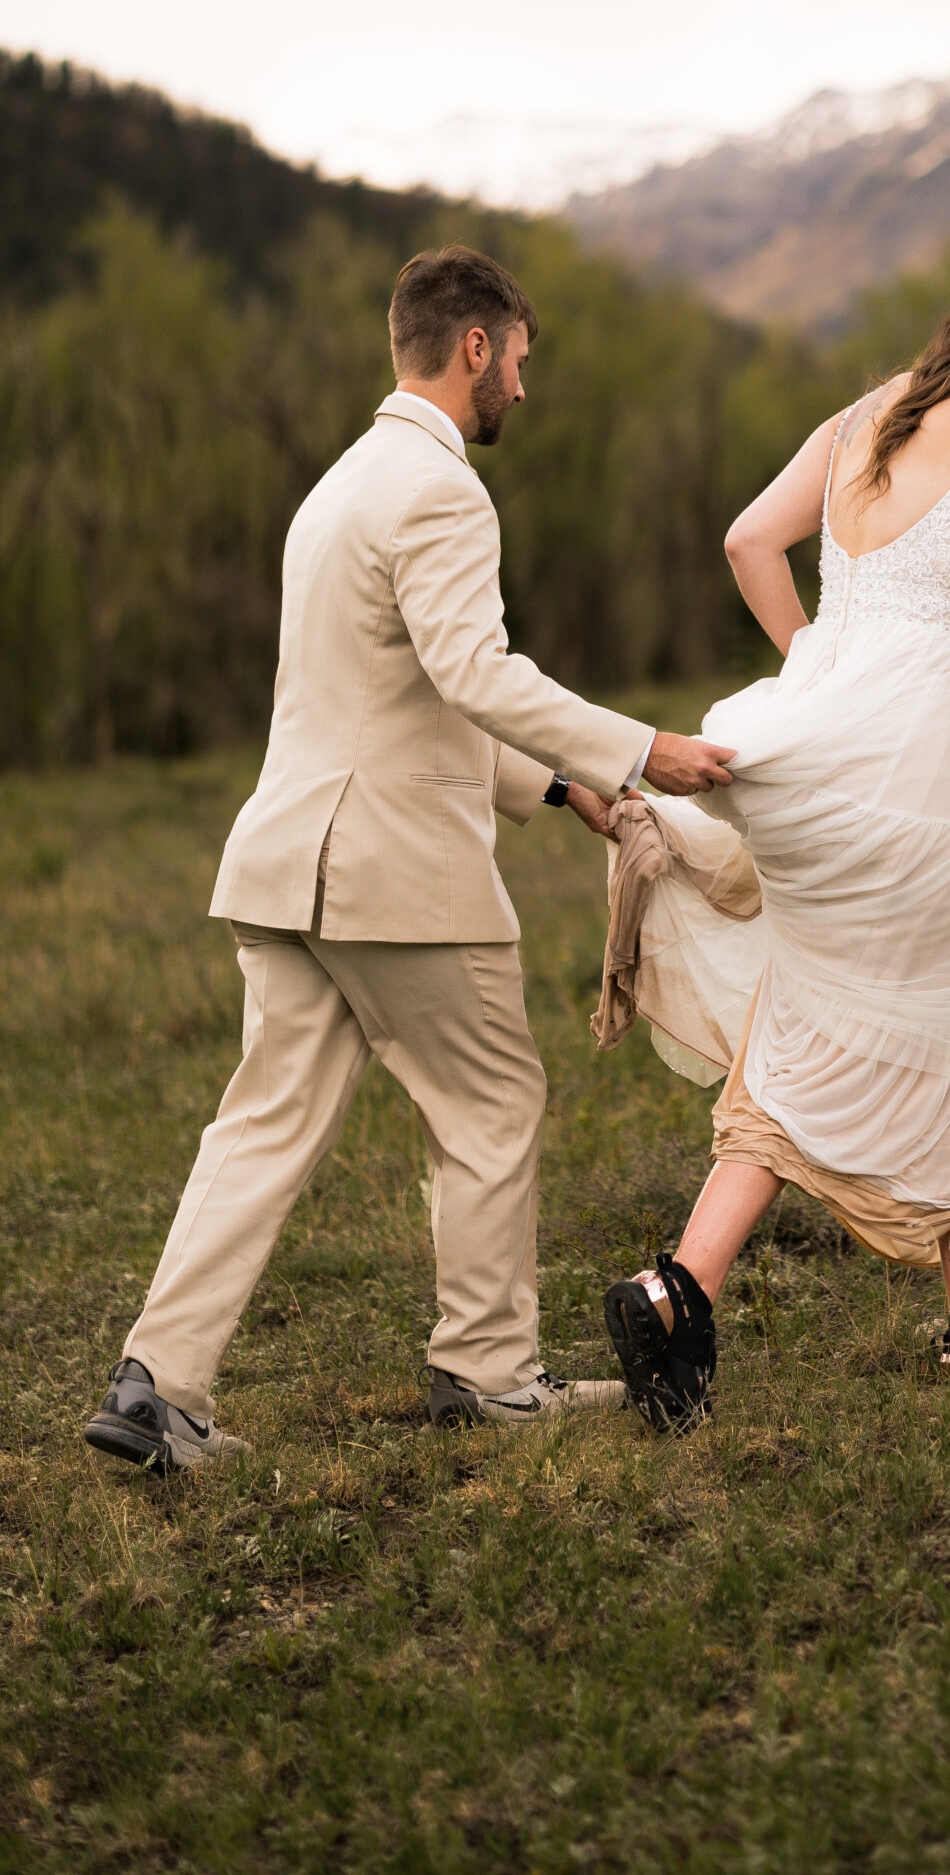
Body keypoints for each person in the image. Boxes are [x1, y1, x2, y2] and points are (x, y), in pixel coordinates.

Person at [82, 245, 734, 1475]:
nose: (525, 393)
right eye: (522, 363)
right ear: (474, 347)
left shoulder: (333, 491)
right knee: (492, 1103)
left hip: (291, 865)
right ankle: (487, 1375)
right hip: (392, 873)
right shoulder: (444, 491)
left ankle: (155, 1387)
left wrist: (555, 782)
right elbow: (474, 674)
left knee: (261, 1126)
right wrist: (643, 749)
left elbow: (390, 696)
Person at [583, 243, 950, 1433]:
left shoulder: (872, 411)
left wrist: (815, 674)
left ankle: (677, 1289)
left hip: (804, 755)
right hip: (907, 767)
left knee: (812, 1017)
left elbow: (744, 543)